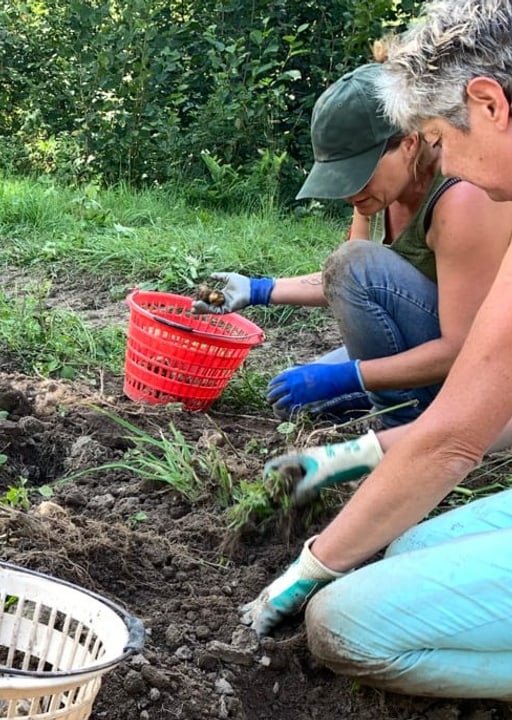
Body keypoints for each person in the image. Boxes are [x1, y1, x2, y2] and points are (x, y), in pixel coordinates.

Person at [240, 0, 512, 700]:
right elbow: (460, 425)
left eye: (434, 136)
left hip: (471, 411)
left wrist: (309, 568)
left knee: (341, 623)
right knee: (403, 545)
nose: (441, 156)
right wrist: (350, 454)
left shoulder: (470, 200)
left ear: (488, 105)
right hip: (471, 417)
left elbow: (461, 430)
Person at [195, 62, 512, 428]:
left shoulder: (459, 201)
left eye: (359, 174)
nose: (350, 192)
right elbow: (349, 284)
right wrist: (259, 290)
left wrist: (353, 376)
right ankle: (399, 403)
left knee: (352, 264)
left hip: (478, 370)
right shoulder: (378, 195)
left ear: (409, 143)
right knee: (291, 403)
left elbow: (463, 349)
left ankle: (404, 424)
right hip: (426, 340)